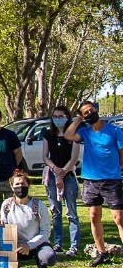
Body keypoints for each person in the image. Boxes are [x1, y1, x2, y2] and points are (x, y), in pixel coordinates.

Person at [64, 100, 123, 267]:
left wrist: (115, 169)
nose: (90, 114)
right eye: (85, 113)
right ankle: (102, 253)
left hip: (111, 180)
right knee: (94, 216)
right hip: (91, 180)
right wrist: (78, 120)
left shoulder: (115, 131)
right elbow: (68, 135)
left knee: (119, 218)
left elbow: (121, 154)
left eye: (91, 111)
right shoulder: (85, 132)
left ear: (96, 110)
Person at [0, 170, 56, 268]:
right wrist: (0, 223)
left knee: (49, 257)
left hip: (36, 244)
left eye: (23, 184)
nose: (20, 186)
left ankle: (42, 265)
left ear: (28, 185)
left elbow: (46, 231)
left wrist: (29, 245)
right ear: (12, 186)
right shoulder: (6, 205)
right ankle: (15, 267)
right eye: (17, 184)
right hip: (14, 245)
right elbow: (4, 226)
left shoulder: (39, 205)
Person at [42, 105, 81, 257]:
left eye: (61, 116)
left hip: (68, 175)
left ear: (67, 117)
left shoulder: (74, 135)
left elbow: (74, 158)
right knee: (55, 212)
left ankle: (74, 246)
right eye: (55, 116)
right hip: (52, 175)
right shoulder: (48, 134)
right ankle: (58, 243)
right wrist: (54, 170)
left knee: (71, 212)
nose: (58, 119)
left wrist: (63, 173)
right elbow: (45, 156)